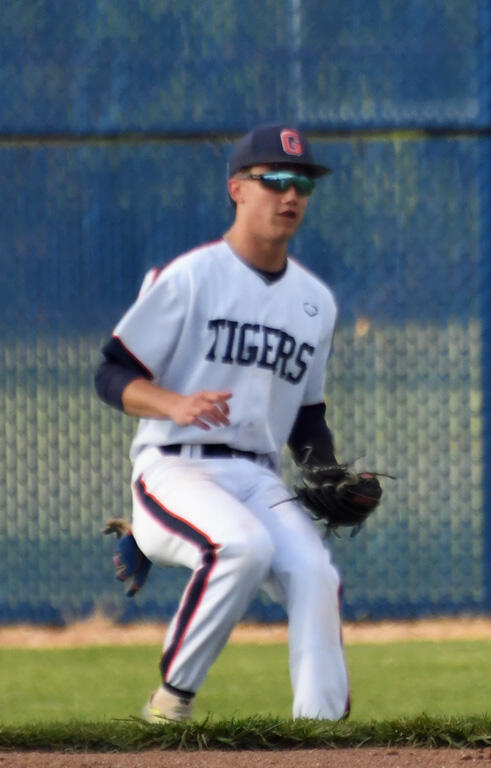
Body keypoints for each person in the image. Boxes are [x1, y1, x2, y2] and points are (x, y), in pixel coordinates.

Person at [94, 124, 355, 722]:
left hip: (257, 475)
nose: (291, 195)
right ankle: (171, 701)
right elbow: (112, 373)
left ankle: (322, 735)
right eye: (276, 180)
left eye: (304, 184)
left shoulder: (316, 302)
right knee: (241, 545)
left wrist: (328, 473)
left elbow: (307, 416)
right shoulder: (191, 278)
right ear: (237, 188)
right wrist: (173, 404)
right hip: (175, 466)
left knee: (315, 574)